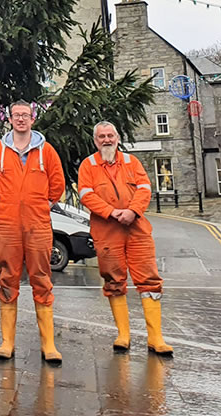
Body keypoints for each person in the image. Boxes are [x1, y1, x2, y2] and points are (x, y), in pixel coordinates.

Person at [77, 121, 173, 356]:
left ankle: (156, 338)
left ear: (117, 138)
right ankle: (123, 335)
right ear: (95, 141)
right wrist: (112, 213)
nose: (107, 140)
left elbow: (145, 188)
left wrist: (132, 211)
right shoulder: (88, 165)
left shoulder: (132, 162)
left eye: (110, 135)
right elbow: (86, 195)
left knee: (149, 279)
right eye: (102, 137)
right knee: (113, 280)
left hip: (137, 228)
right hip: (106, 231)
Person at [0, 101, 66, 364]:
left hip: (38, 225)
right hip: (8, 225)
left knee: (42, 277)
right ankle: (7, 342)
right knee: (8, 278)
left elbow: (58, 184)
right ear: (9, 119)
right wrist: (3, 204)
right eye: (16, 115)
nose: (20, 119)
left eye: (25, 115)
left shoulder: (47, 151)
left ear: (33, 119)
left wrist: (41, 206)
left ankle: (48, 345)